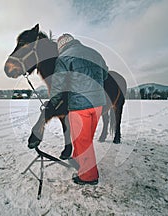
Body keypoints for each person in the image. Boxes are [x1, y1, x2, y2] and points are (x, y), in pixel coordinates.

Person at [45, 34, 108, 185]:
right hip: (98, 104)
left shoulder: (63, 58)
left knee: (82, 140)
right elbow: (105, 74)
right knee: (86, 138)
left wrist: (52, 104)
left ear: (61, 46)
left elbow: (58, 86)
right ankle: (79, 159)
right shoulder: (95, 53)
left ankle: (88, 176)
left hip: (80, 106)